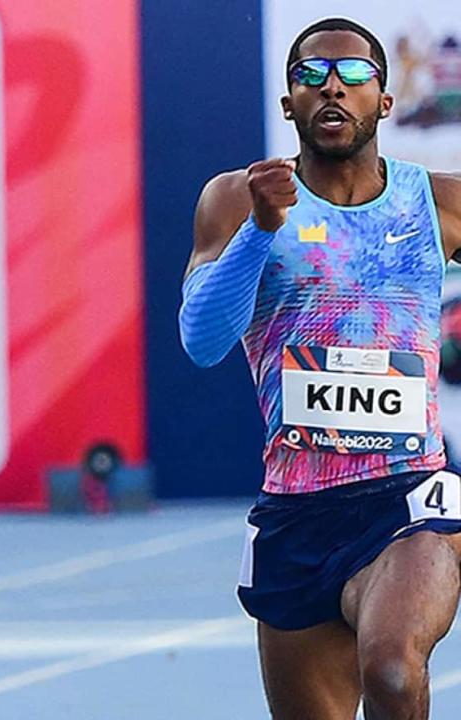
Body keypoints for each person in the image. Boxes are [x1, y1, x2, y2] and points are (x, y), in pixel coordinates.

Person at [180, 17, 461, 720]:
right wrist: (260, 232)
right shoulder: (236, 199)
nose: (332, 85)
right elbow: (203, 340)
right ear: (288, 104)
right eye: (310, 75)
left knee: (394, 671)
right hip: (297, 511)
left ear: (385, 101)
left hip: (408, 495)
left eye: (355, 74)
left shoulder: (439, 203)